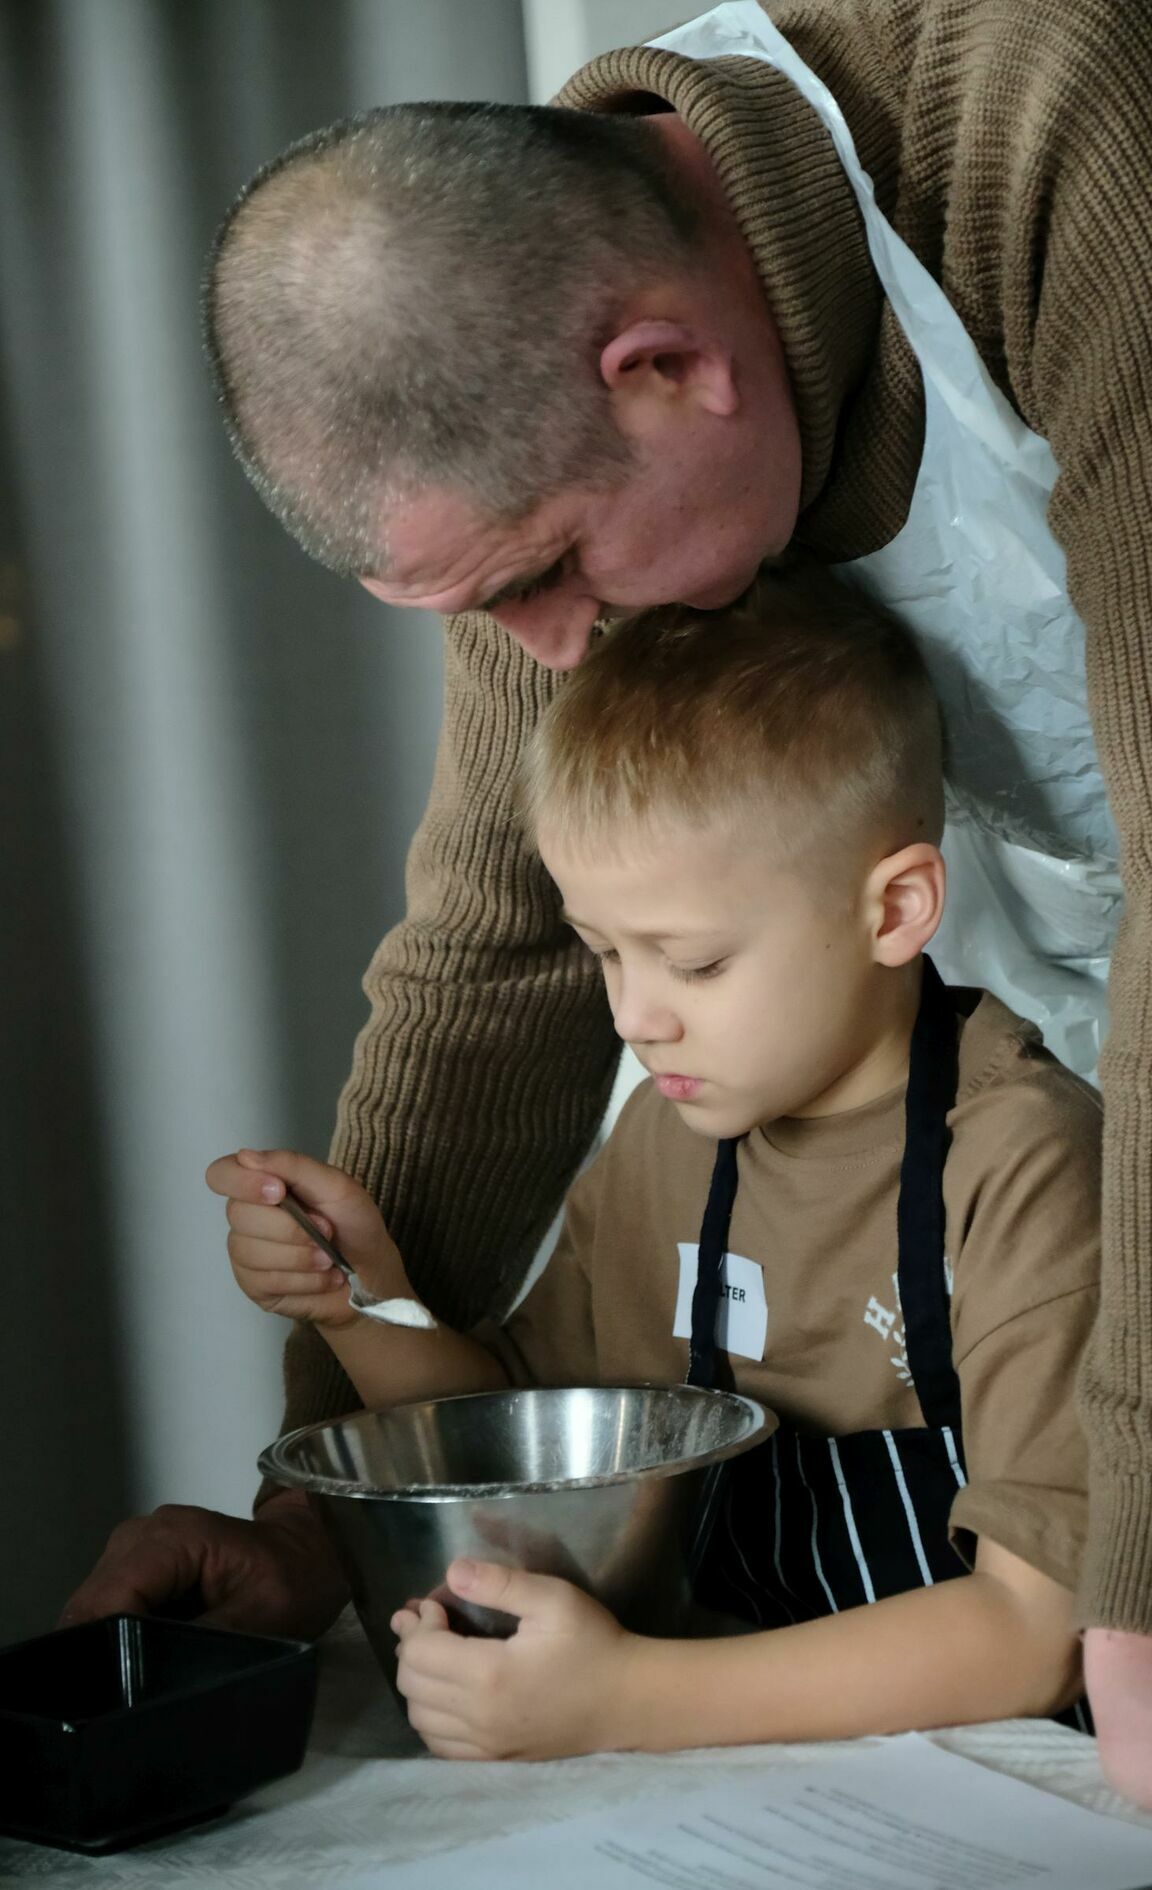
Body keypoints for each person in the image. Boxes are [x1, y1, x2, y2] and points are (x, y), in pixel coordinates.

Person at [64, 0, 1152, 1823]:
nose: (550, 651)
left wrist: (1151, 1619)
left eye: (545, 573)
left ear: (669, 369)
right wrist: (324, 1522)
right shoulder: (527, 299)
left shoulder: (1068, 111)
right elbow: (491, 952)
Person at [208, 571, 1098, 1758]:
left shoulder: (1027, 1165)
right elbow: (523, 1442)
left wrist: (622, 1700)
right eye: (605, 954)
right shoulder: (666, 1144)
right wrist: (360, 1300)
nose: (638, 1018)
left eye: (694, 962)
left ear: (894, 911)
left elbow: (1036, 1633)